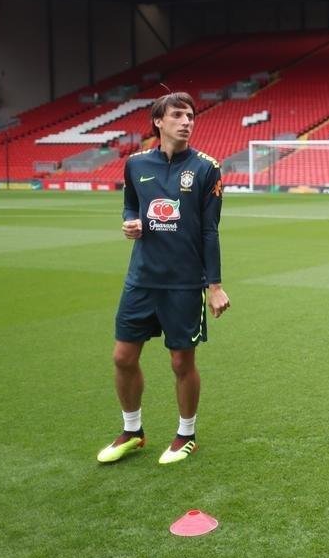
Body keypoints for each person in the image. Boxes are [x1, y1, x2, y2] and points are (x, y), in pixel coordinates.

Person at [97, 92, 230, 466]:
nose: (187, 121)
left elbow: (210, 231)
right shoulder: (136, 163)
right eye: (178, 115)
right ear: (158, 121)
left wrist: (214, 286)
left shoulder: (207, 168)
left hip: (184, 282)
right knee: (123, 356)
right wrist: (130, 222)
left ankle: (186, 435)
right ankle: (132, 432)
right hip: (141, 278)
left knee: (180, 362)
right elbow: (130, 204)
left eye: (190, 116)